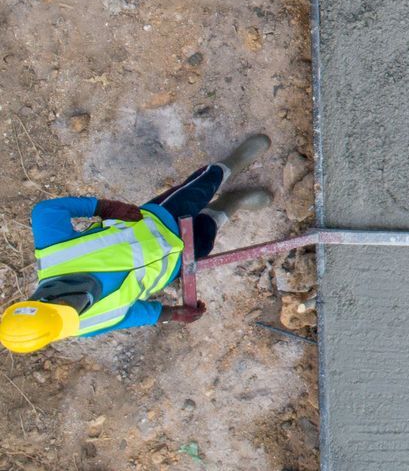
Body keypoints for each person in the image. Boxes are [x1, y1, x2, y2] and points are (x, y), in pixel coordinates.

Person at [1, 135, 272, 355]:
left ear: (43, 299)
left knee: (199, 188)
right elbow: (127, 316)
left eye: (64, 308)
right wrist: (173, 314)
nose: (75, 310)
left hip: (157, 220)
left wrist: (104, 207)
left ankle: (230, 165)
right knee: (206, 234)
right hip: (172, 265)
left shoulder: (55, 254)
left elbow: (45, 211)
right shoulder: (79, 325)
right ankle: (231, 203)